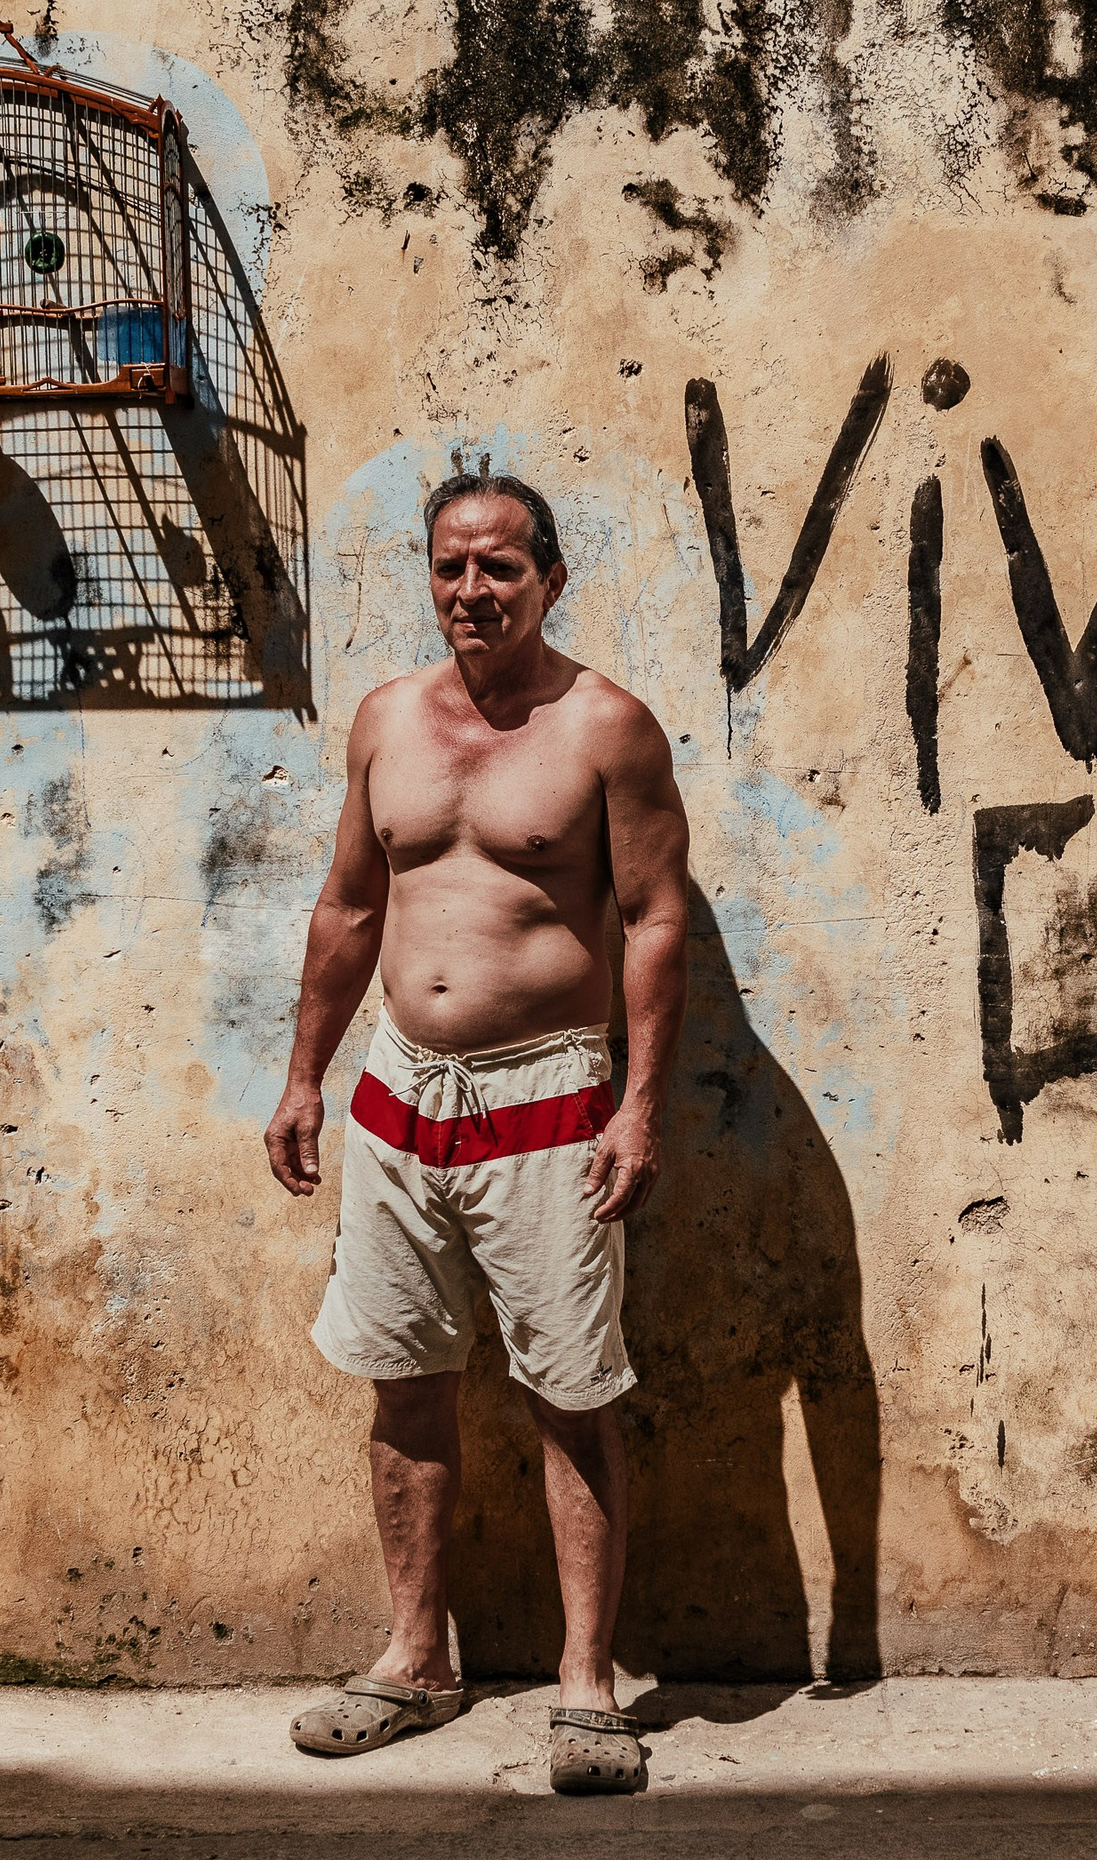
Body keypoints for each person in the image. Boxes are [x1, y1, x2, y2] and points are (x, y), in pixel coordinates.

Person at [263, 471, 690, 1794]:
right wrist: (301, 1079)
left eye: (502, 567)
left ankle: (584, 1687)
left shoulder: (608, 728)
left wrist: (639, 1105)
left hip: (548, 1097)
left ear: (551, 579)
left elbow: (657, 917)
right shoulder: (389, 718)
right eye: (452, 567)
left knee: (572, 1392)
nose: (474, 591)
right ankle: (416, 1659)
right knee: (405, 1380)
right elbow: (346, 909)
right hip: (400, 1097)